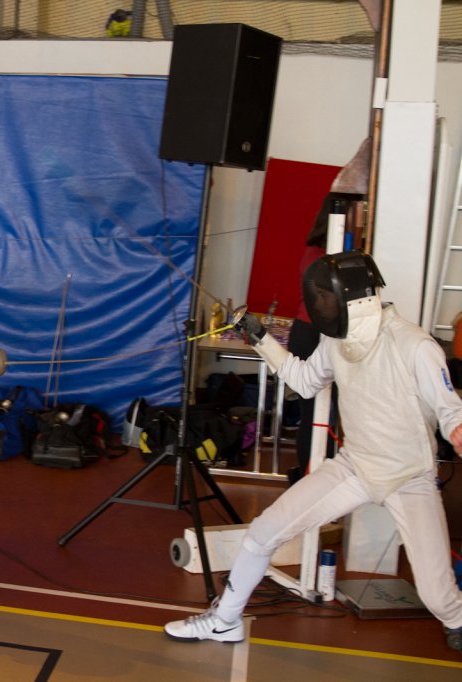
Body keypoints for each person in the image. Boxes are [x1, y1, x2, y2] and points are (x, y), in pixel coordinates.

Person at [164, 250, 462, 654]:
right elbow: (305, 381)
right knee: (262, 533)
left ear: (353, 297)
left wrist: (457, 428)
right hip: (354, 466)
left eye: (325, 298)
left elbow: (449, 408)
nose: (320, 307)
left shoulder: (415, 345)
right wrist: (262, 339)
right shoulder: (336, 340)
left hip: (409, 476)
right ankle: (225, 620)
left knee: (439, 597)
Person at [286, 194, 340, 481]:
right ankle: (311, 478)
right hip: (313, 334)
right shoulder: (321, 258)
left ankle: (311, 477)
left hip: (310, 332)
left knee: (319, 413)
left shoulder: (316, 253)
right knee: (318, 414)